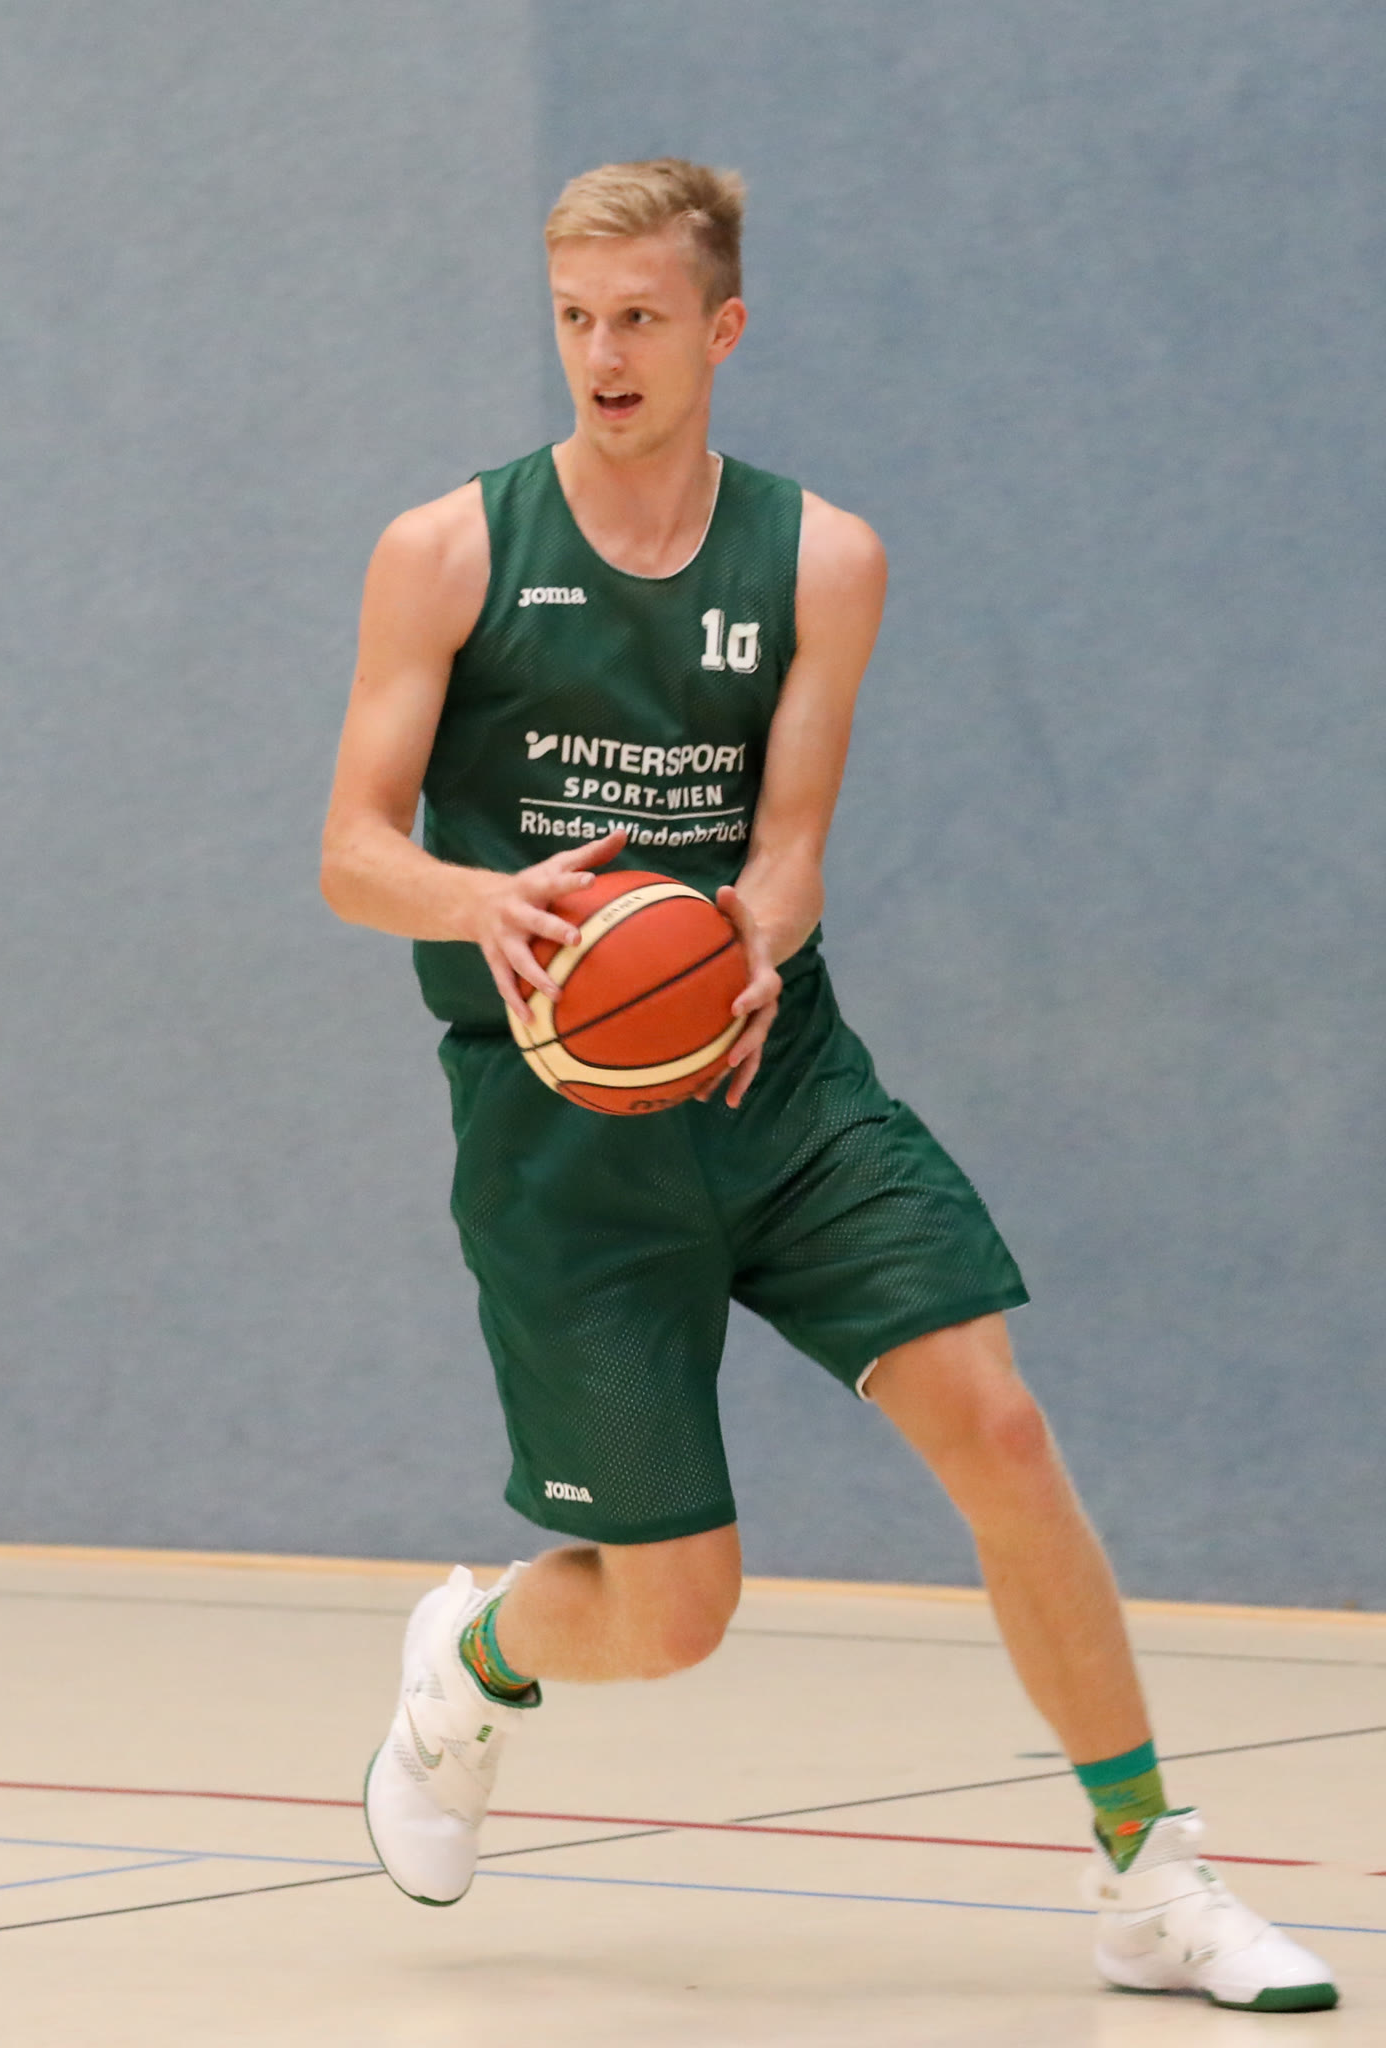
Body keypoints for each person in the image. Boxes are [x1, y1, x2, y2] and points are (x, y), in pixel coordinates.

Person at [319, 158, 1336, 2015]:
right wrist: (485, 901)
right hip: (558, 1140)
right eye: (575, 317)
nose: (603, 354)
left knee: (999, 1431)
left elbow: (788, 848)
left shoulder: (820, 559)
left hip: (774, 1082)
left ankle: (1151, 1875)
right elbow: (351, 851)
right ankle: (475, 1660)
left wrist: (754, 942)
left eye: (641, 317)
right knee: (673, 1615)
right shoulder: (446, 551)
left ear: (722, 328)